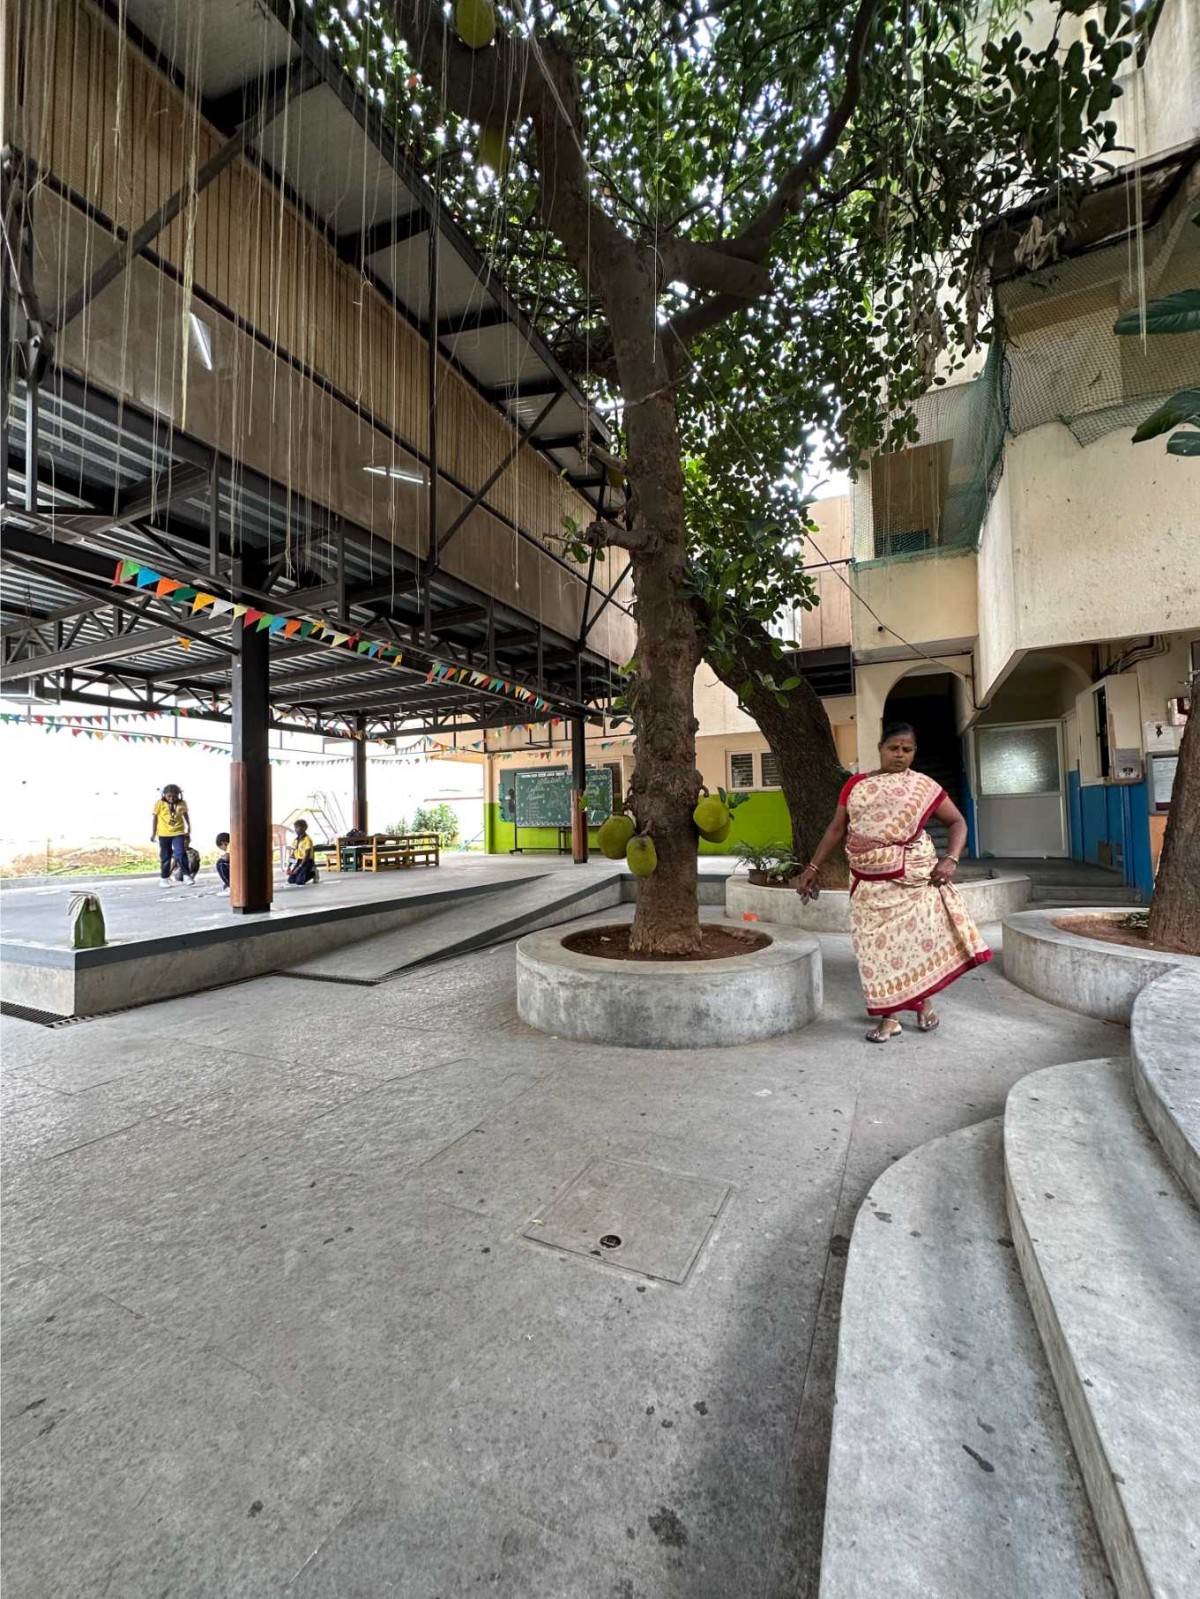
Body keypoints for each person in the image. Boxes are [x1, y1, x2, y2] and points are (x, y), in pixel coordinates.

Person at [797, 722, 991, 1043]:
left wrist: (951, 858)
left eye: (907, 750)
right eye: (893, 748)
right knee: (876, 950)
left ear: (914, 753)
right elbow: (836, 828)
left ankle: (922, 1004)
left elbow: (957, 821)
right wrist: (814, 865)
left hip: (914, 880)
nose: (900, 755)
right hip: (867, 883)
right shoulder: (856, 785)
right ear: (880, 748)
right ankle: (891, 1016)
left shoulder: (923, 786)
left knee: (914, 946)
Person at [151, 783, 193, 887]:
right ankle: (164, 878)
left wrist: (189, 827)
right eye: (169, 796)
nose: (171, 798)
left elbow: (185, 815)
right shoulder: (159, 803)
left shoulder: (182, 803)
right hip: (163, 833)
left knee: (181, 853)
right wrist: (153, 833)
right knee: (166, 856)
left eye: (174, 796)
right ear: (164, 795)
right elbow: (155, 818)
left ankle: (186, 876)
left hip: (178, 832)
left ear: (178, 795)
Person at [286, 819, 316, 886]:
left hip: (307, 861)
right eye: (295, 827)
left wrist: (299, 867)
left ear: (304, 828)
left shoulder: (307, 839)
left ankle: (313, 873)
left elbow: (307, 856)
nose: (296, 829)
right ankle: (301, 874)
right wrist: (289, 867)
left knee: (299, 882)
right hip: (299, 861)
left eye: (297, 827)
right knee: (291, 880)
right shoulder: (295, 840)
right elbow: (293, 854)